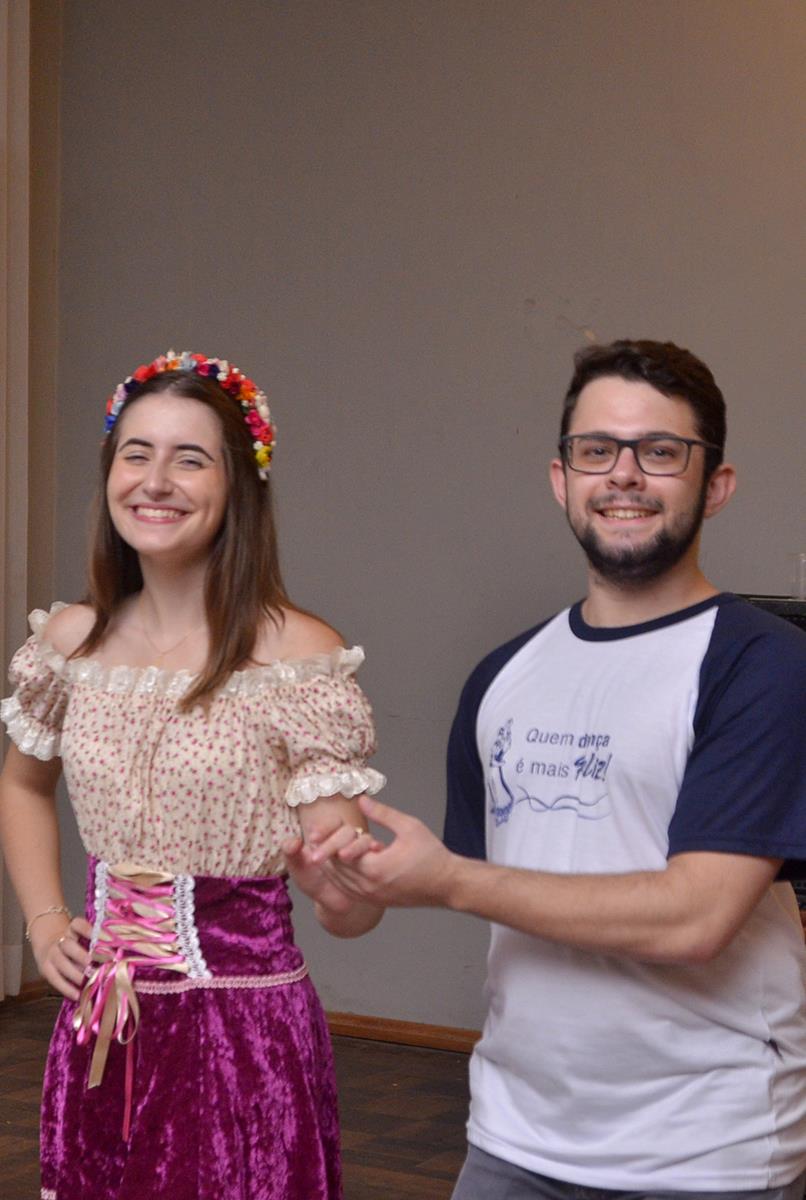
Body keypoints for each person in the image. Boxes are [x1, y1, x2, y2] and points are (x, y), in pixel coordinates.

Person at [312, 340, 806, 1199]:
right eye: (596, 450)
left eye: (661, 451)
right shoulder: (502, 676)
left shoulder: (762, 666)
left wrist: (447, 881)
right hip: (514, 1135)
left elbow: (696, 918)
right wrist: (349, 893)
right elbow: (491, 885)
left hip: (706, 1147)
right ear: (561, 478)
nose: (624, 475)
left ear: (716, 485)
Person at [0, 349, 385, 1200]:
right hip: (102, 1026)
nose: (155, 481)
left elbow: (352, 898)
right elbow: (22, 784)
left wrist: (344, 890)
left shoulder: (295, 657)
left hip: (241, 1036)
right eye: (136, 454)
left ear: (239, 484)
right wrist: (44, 920)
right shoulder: (69, 643)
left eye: (190, 459)